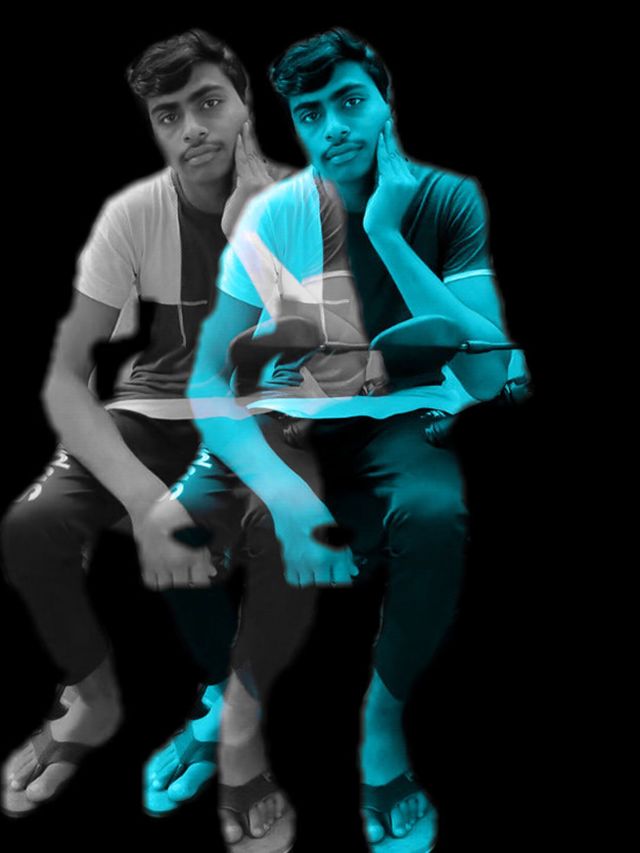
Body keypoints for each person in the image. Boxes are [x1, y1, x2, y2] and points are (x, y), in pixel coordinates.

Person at [140, 27, 529, 851]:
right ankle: (224, 705)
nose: (333, 127)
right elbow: (211, 380)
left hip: (397, 426)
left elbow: (489, 368)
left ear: (386, 99)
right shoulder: (275, 215)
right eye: (311, 114)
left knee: (434, 515)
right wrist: (287, 497)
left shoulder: (446, 199)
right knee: (171, 529)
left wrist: (388, 232)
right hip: (289, 424)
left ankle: (381, 725)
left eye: (351, 101)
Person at [0, 28, 297, 846]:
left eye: (208, 102)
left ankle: (235, 728)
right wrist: (143, 500)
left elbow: (332, 356)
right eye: (168, 115)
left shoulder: (306, 204)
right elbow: (64, 377)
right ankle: (93, 699)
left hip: (263, 419)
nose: (190, 128)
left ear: (245, 103)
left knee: (269, 529)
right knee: (31, 527)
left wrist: (251, 223)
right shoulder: (134, 214)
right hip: (153, 412)